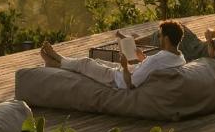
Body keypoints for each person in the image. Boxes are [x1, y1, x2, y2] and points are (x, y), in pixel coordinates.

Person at [40, 20, 186, 89]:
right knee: (97, 60)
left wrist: (124, 65)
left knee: (86, 63)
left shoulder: (158, 59)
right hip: (128, 70)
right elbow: (153, 67)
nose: (158, 38)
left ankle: (58, 60)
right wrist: (143, 59)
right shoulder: (180, 57)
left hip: (118, 79)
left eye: (160, 36)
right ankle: (56, 63)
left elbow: (131, 83)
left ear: (166, 39)